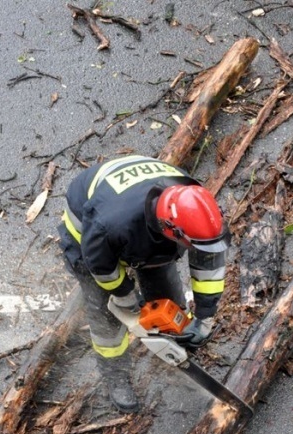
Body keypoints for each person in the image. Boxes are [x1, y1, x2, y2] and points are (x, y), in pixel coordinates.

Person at [58, 155, 228, 413]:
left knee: (171, 303)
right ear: (171, 229)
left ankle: (174, 349)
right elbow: (101, 267)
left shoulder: (197, 209)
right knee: (106, 314)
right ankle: (115, 374)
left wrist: (205, 317)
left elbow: (210, 262)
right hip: (89, 235)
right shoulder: (110, 223)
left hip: (144, 228)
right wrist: (125, 297)